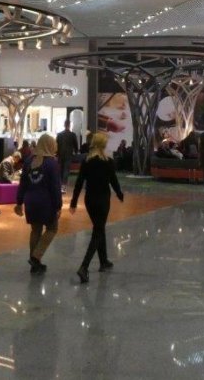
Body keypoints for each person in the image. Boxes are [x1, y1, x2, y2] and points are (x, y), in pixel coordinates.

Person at [70, 132, 124, 283]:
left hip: (90, 200)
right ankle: (84, 267)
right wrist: (119, 194)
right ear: (103, 145)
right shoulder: (108, 162)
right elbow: (114, 181)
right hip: (102, 200)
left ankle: (103, 261)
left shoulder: (86, 161)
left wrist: (74, 202)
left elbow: (79, 182)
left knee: (99, 227)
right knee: (98, 231)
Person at [15, 133, 62, 274]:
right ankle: (36, 257)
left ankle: (34, 265)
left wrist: (19, 202)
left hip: (30, 201)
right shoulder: (52, 163)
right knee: (52, 228)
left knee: (35, 230)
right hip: (46, 202)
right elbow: (55, 187)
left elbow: (23, 183)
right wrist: (58, 206)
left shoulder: (29, 161)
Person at [56, 120, 78, 194]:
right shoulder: (72, 135)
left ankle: (60, 185)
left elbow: (56, 145)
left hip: (60, 154)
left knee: (61, 170)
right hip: (69, 155)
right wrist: (76, 152)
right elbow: (76, 145)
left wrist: (57, 153)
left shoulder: (59, 135)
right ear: (69, 125)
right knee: (66, 170)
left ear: (64, 125)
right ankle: (63, 187)